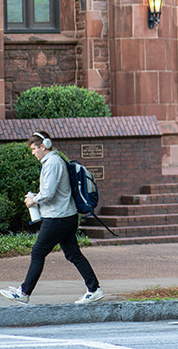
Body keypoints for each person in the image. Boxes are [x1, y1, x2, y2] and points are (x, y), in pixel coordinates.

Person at [1, 131, 103, 305]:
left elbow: (48, 193)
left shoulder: (52, 163)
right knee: (73, 254)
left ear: (44, 146)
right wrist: (37, 197)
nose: (33, 153)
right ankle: (94, 289)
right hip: (66, 216)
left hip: (57, 217)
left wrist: (33, 200)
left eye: (34, 148)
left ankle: (24, 292)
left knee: (38, 252)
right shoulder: (55, 161)